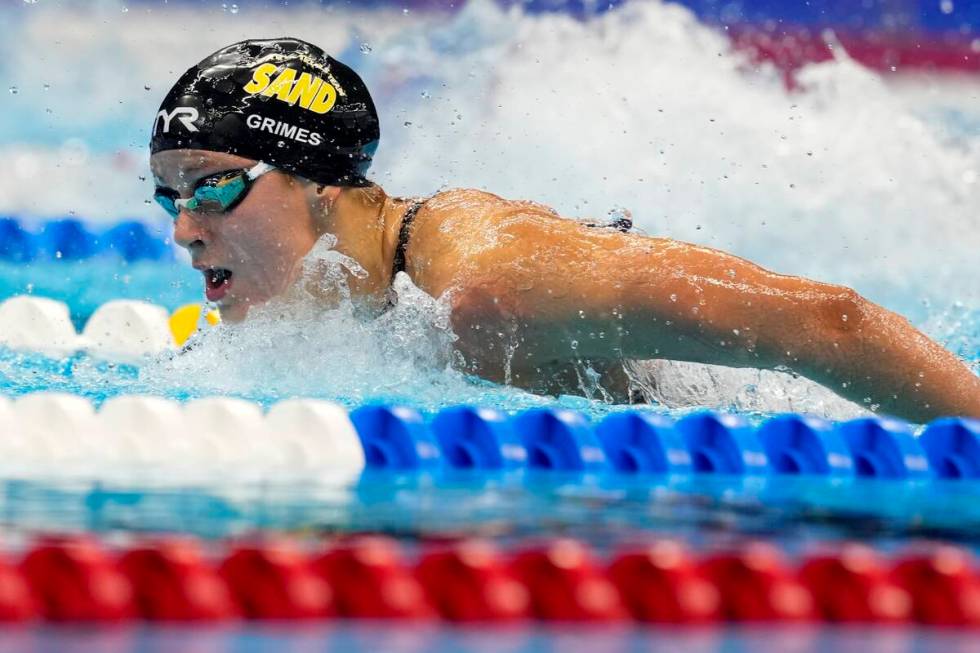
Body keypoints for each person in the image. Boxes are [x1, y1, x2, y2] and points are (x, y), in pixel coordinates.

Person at [150, 38, 980, 423]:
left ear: (322, 184)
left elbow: (825, 320)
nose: (184, 231)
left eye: (214, 186)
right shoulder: (371, 300)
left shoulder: (488, 284)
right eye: (168, 198)